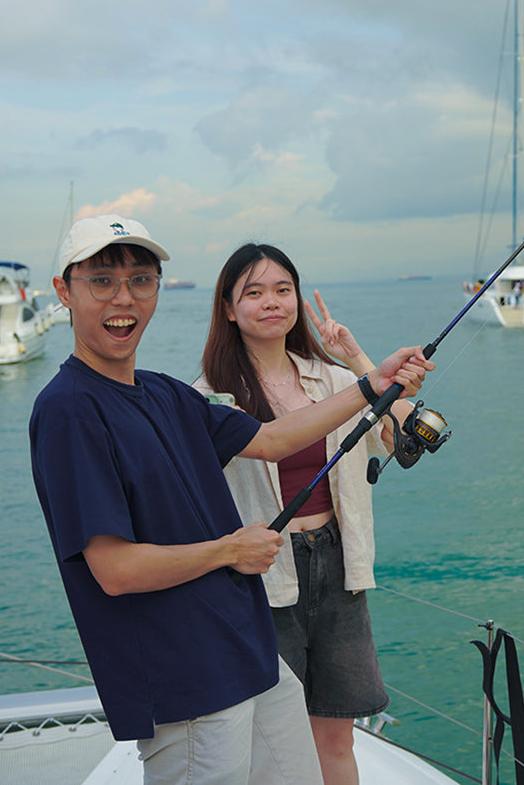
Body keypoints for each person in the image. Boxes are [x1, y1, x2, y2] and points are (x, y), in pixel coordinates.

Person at [29, 216, 433, 784]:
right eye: (102, 281)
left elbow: (272, 438)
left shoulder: (163, 392)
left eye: (141, 280)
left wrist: (370, 381)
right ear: (63, 290)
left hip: (247, 654)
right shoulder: (69, 409)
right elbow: (114, 569)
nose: (124, 298)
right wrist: (227, 551)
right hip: (185, 677)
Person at [194, 244, 413, 785]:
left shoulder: (337, 380)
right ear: (228, 308)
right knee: (272, 739)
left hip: (339, 567)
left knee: (337, 734)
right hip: (260, 575)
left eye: (282, 290)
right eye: (254, 292)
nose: (272, 302)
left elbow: (408, 439)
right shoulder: (209, 398)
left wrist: (358, 358)